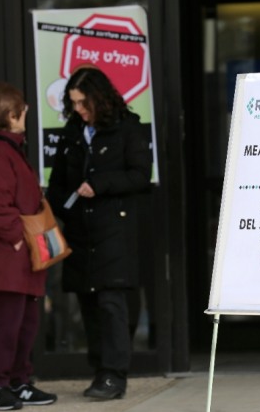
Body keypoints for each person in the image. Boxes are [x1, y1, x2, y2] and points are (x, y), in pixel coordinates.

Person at [47, 66, 152, 400]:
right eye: (74, 103)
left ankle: (114, 374)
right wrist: (65, 208)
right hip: (80, 231)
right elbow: (58, 183)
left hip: (114, 231)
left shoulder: (127, 129)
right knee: (89, 303)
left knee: (111, 303)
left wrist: (101, 185)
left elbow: (139, 176)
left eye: (83, 102)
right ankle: (100, 371)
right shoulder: (72, 132)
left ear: (99, 99)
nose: (79, 109)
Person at [0, 82, 58, 410]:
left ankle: (19, 382)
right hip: (11, 251)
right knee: (8, 322)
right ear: (10, 115)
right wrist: (17, 239)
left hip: (20, 251)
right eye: (21, 109)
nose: (26, 112)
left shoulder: (7, 146)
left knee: (25, 319)